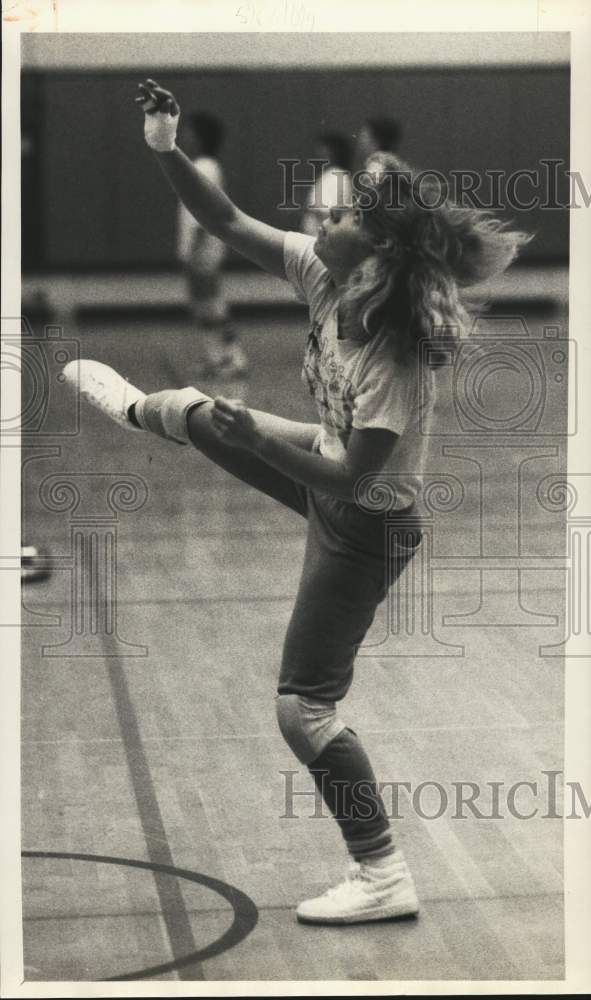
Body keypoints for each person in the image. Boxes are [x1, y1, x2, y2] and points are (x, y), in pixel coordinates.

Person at [64, 78, 530, 925]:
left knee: (302, 707)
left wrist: (258, 444)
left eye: (347, 216)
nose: (327, 223)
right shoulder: (325, 272)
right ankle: (144, 411)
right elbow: (227, 223)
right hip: (329, 467)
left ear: (378, 250)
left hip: (370, 524)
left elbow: (356, 480)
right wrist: (164, 147)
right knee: (196, 413)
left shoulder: (393, 356)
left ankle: (383, 875)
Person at [176, 111, 248, 378]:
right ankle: (215, 358)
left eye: (190, 132)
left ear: (201, 137)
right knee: (203, 306)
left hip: (203, 249)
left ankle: (234, 357)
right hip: (199, 248)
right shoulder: (200, 166)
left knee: (212, 305)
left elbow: (201, 212)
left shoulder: (205, 168)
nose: (185, 137)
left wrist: (193, 250)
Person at [301, 132, 353, 236]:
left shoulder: (338, 176)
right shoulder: (328, 175)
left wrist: (309, 210)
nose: (318, 154)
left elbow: (333, 213)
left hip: (321, 237)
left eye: (324, 150)